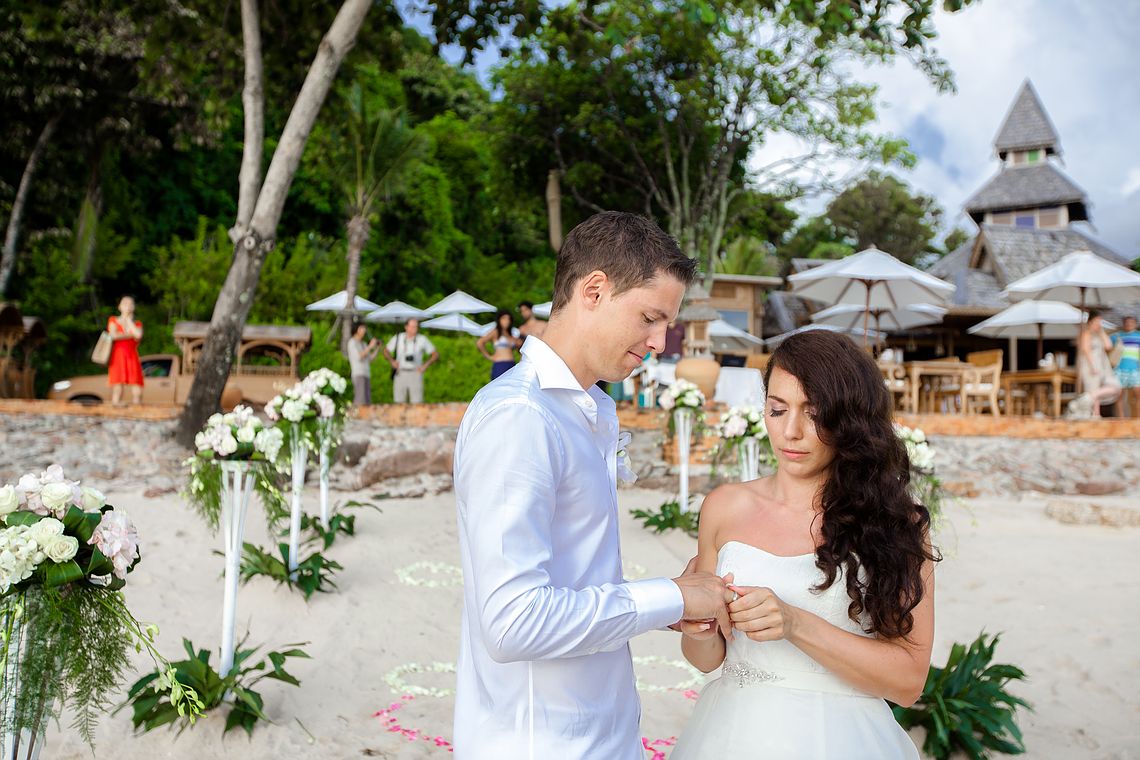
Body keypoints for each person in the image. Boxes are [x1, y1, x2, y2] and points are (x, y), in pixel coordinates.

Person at [453, 212, 734, 758]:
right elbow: (513, 623)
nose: (659, 342)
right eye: (651, 318)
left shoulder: (586, 410)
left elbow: (577, 579)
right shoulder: (521, 417)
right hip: (538, 741)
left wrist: (672, 607)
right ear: (595, 290)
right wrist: (667, 595)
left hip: (599, 731)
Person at [671, 330, 937, 759]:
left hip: (843, 740)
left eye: (814, 414)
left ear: (851, 419)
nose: (790, 432)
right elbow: (706, 659)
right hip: (732, 733)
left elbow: (908, 681)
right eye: (777, 410)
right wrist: (698, 628)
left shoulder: (894, 525)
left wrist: (794, 623)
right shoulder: (724, 507)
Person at [382, 318, 438, 404]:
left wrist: (425, 365)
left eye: (416, 327)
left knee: (417, 403)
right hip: (400, 372)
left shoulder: (422, 339)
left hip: (416, 373)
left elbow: (435, 354)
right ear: (406, 327)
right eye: (412, 326)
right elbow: (385, 351)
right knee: (398, 403)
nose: (414, 329)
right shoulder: (399, 337)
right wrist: (392, 361)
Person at [1077, 310, 1121, 418]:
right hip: (1090, 365)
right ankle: (1095, 415)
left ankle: (1087, 398)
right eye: (1097, 321)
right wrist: (1093, 367)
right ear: (1091, 321)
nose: (1099, 324)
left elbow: (1109, 346)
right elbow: (1086, 350)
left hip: (1102, 366)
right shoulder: (1086, 334)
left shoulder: (1099, 334)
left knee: (1114, 388)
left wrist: (1101, 332)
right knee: (1093, 388)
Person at [107, 296, 144, 406]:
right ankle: (116, 406)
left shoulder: (137, 323)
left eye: (130, 304)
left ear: (133, 307)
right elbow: (113, 335)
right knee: (118, 385)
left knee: (136, 383)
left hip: (132, 355)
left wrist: (128, 320)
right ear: (119, 306)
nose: (127, 306)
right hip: (117, 356)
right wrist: (130, 334)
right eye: (125, 303)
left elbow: (138, 335)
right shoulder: (113, 320)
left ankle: (136, 409)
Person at [476, 310, 522, 381]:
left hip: (511, 365)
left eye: (508, 319)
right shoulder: (496, 332)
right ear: (499, 319)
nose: (507, 321)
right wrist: (489, 356)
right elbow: (480, 342)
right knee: (498, 389)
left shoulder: (511, 335)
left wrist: (519, 344)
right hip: (500, 365)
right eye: (504, 318)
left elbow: (520, 349)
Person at [1111, 315, 1140, 417]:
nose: (1129, 324)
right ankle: (1121, 419)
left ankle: (1137, 419)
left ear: (1135, 324)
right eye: (1127, 322)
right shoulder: (1116, 336)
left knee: (1138, 395)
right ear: (1123, 324)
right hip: (1119, 369)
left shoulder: (1139, 336)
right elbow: (1106, 345)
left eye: (1131, 322)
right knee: (1119, 396)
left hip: (1135, 370)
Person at [346, 321, 379, 406]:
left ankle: (365, 418)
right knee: (360, 399)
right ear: (356, 329)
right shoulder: (352, 342)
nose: (364, 330)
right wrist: (370, 346)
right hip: (358, 374)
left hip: (366, 374)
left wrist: (377, 348)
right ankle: (357, 418)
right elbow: (358, 357)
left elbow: (370, 359)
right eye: (362, 328)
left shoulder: (363, 343)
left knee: (367, 400)